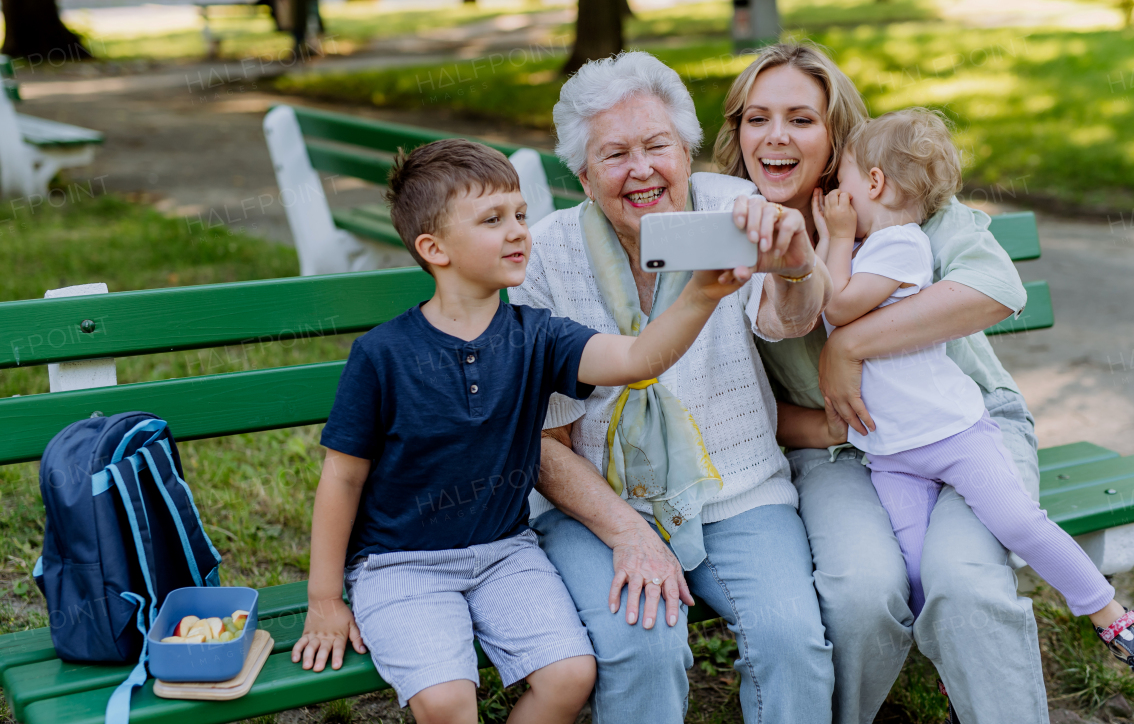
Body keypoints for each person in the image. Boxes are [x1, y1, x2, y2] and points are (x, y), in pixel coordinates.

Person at [289, 139, 751, 724]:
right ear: (434, 249)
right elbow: (343, 477)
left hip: (505, 554)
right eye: (492, 220)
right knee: (448, 702)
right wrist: (325, 598)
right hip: (401, 564)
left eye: (520, 215)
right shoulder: (383, 355)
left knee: (569, 676)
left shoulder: (538, 337)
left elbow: (637, 358)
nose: (518, 232)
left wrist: (703, 293)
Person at [712, 41, 1049, 724]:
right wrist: (821, 425)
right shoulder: (726, 226)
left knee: (967, 584)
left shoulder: (890, 195)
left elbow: (995, 286)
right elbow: (716, 400)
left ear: (836, 135)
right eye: (757, 118)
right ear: (737, 133)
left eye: (801, 119)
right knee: (859, 592)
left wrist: (851, 345)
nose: (775, 136)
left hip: (963, 427)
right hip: (839, 452)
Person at [804, 108, 1134, 686]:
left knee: (1018, 521)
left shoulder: (900, 248)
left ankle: (1111, 616)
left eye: (844, 179)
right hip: (892, 452)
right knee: (915, 569)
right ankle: (958, 680)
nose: (835, 191)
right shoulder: (868, 250)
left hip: (954, 437)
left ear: (874, 184)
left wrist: (831, 235)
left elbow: (833, 306)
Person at [511, 51, 835, 724]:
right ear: (583, 174)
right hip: (595, 507)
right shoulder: (544, 258)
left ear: (686, 150)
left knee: (790, 639)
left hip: (737, 489)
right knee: (644, 647)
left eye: (657, 145)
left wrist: (797, 264)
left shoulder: (736, 212)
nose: (642, 170)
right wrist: (629, 530)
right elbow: (543, 443)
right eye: (614, 154)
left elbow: (789, 319)